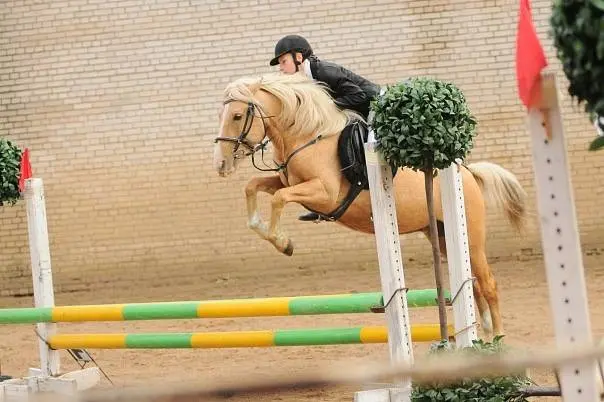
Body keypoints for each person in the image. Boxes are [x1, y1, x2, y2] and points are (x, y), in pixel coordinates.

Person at [269, 34, 381, 222]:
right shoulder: (306, 78)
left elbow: (359, 96)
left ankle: (377, 197)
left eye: (283, 61)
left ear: (298, 57)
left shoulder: (323, 71)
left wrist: (325, 106)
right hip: (354, 110)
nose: (281, 68)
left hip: (375, 106)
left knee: (369, 144)